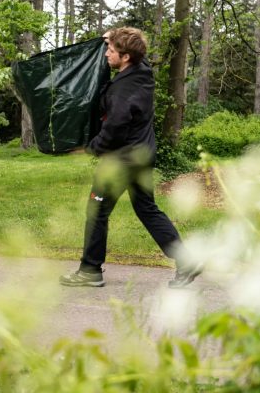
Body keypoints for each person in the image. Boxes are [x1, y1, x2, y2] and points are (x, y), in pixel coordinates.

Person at [59, 27, 203, 289]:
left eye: (111, 50)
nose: (106, 54)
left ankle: (90, 270)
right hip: (142, 154)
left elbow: (114, 128)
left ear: (125, 57)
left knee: (97, 210)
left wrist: (90, 147)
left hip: (121, 160)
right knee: (147, 209)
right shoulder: (142, 72)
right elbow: (140, 56)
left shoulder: (123, 90)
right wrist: (113, 35)